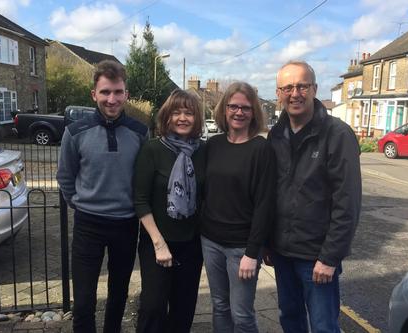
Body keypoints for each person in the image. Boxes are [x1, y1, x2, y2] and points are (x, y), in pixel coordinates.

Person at [265, 60, 362, 333]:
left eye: (302, 86)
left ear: (315, 88)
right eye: (288, 87)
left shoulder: (338, 134)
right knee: (290, 318)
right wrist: (267, 243)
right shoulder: (275, 136)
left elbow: (348, 203)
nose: (295, 93)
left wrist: (330, 257)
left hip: (317, 257)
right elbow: (270, 194)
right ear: (278, 93)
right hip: (283, 254)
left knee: (323, 326)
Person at [56, 60, 149, 333]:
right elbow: (65, 177)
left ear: (126, 94)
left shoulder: (140, 132)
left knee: (118, 295)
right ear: (94, 94)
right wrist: (83, 204)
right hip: (88, 226)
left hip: (126, 225)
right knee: (84, 301)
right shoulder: (75, 133)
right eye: (106, 92)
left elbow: (143, 179)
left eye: (118, 92)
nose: (112, 99)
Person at [201, 82, 277, 333]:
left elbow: (265, 205)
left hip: (241, 247)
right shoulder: (213, 145)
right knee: (219, 306)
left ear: (254, 112)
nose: (239, 112)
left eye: (246, 107)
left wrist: (252, 253)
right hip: (210, 241)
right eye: (233, 106)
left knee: (242, 315)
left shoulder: (261, 149)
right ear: (224, 109)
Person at [133, 89, 206, 333]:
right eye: (177, 112)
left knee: (183, 309)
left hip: (192, 244)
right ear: (167, 116)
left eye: (189, 113)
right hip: (157, 243)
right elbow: (140, 200)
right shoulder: (152, 149)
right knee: (153, 307)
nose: (183, 118)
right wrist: (158, 243)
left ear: (197, 118)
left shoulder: (203, 151)